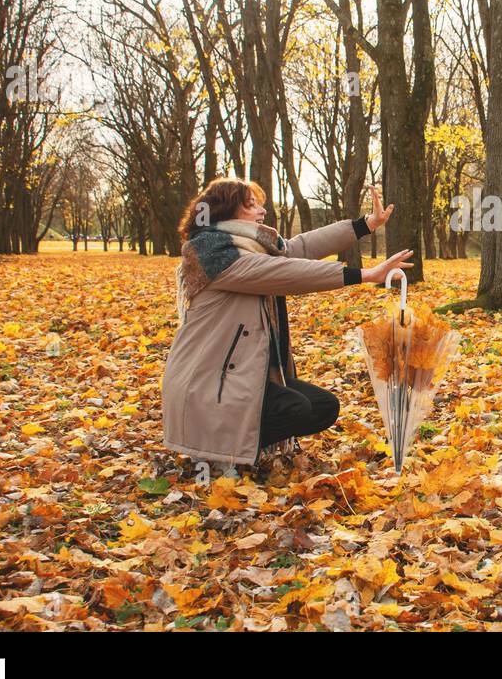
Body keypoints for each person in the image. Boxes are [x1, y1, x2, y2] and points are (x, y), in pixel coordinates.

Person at [161, 178, 414, 474]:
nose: (262, 210)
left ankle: (234, 444)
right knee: (298, 409)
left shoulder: (254, 248)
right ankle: (218, 450)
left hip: (235, 375)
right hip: (208, 384)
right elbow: (285, 272)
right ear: (226, 211)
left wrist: (366, 224)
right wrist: (364, 275)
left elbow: (299, 247)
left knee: (322, 406)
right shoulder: (213, 255)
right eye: (251, 204)